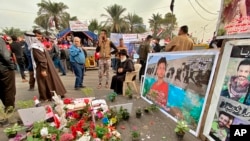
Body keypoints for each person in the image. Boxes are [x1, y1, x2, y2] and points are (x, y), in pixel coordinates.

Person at [25, 31, 66, 101]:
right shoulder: (38, 45)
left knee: (43, 82)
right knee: (50, 80)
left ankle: (46, 97)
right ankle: (54, 94)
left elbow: (42, 59)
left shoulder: (35, 47)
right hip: (46, 66)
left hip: (42, 67)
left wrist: (43, 69)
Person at [0, 38, 16, 109]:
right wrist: (12, 66)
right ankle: (9, 109)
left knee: (2, 90)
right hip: (4, 69)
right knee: (9, 90)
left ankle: (7, 107)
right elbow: (6, 56)